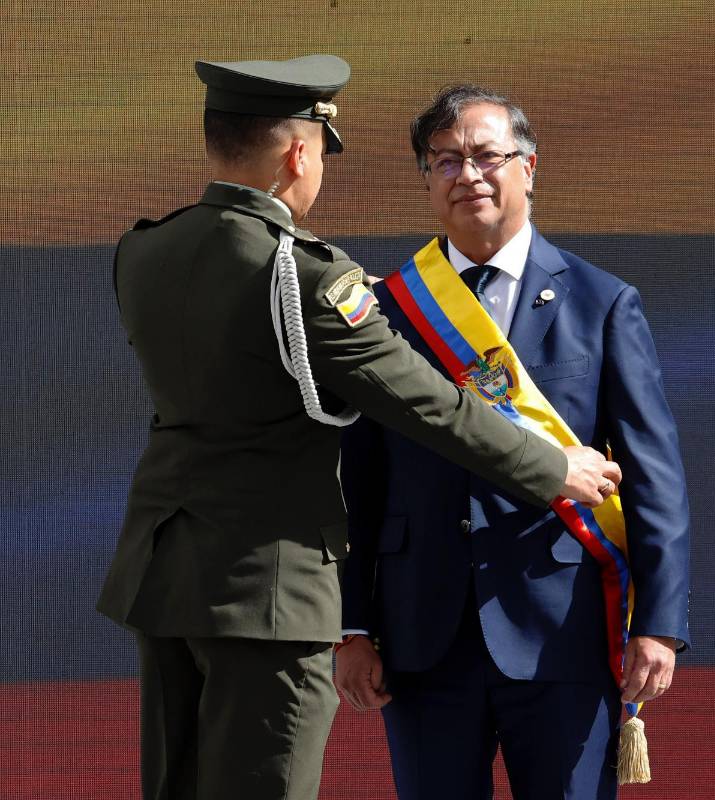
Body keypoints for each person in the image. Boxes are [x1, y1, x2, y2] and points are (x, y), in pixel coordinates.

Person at [96, 57, 620, 800]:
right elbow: (430, 406)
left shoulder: (142, 251)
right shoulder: (306, 278)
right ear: (297, 153)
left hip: (165, 575)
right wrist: (552, 468)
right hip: (270, 590)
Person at [334, 84, 691, 800]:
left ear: (529, 166)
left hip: (562, 629)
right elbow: (359, 482)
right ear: (426, 182)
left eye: (486, 155)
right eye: (444, 162)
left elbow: (655, 476)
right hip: (422, 635)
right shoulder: (390, 312)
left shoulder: (600, 302)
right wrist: (352, 624)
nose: (467, 175)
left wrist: (658, 623)